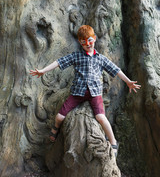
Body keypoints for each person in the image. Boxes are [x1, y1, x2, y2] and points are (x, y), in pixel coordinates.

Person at [30, 25, 141, 156]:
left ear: (94, 39)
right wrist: (43, 70)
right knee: (59, 117)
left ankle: (113, 141)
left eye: (90, 40)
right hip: (77, 93)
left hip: (95, 94)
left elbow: (116, 70)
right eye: (84, 42)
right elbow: (59, 62)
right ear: (80, 43)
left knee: (100, 117)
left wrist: (128, 81)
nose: (88, 44)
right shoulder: (77, 56)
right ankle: (55, 130)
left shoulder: (100, 58)